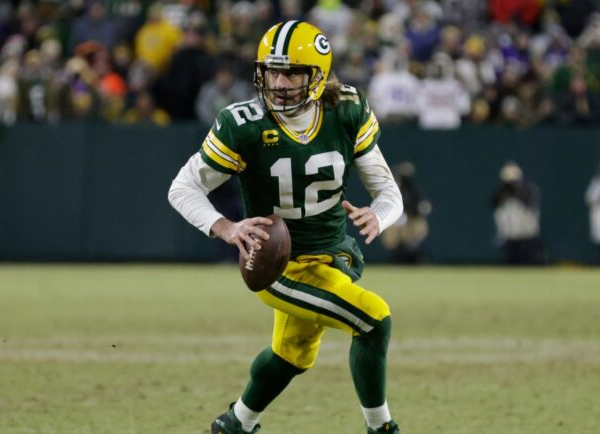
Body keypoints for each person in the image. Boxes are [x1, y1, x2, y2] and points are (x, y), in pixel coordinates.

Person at [168, 21, 403, 434]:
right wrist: (225, 227)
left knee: (292, 354)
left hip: (334, 253)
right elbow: (182, 187)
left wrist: (378, 216)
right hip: (279, 265)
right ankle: (381, 429)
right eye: (271, 71)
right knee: (374, 319)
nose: (279, 82)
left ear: (317, 75)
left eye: (292, 72)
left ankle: (235, 423)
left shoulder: (346, 110)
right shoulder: (243, 123)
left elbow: (389, 193)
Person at [490, 161, 543, 265]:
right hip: (509, 237)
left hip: (527, 237)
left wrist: (516, 187)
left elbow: (529, 205)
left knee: (529, 265)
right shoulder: (501, 191)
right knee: (510, 266)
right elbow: (493, 203)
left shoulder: (528, 189)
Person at [381, 161, 431, 264]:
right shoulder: (394, 190)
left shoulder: (414, 191)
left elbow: (424, 206)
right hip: (398, 221)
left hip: (413, 220)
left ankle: (415, 258)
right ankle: (398, 259)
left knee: (413, 241)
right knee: (394, 241)